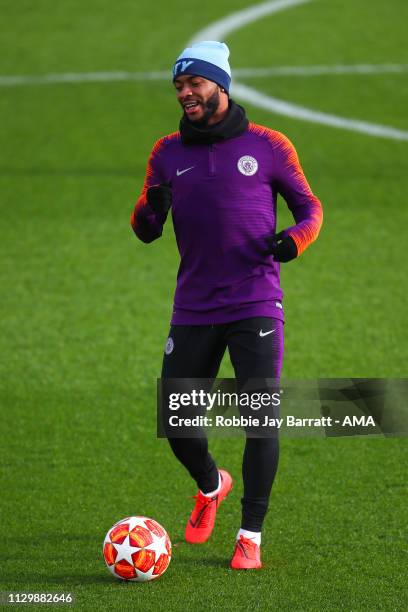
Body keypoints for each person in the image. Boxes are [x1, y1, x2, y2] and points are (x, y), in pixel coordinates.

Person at [130, 41, 323, 570]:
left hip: (256, 300)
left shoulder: (269, 145)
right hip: (193, 305)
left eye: (194, 83)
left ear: (220, 84)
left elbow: (311, 207)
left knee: (261, 419)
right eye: (178, 87)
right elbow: (144, 230)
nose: (185, 93)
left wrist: (294, 241)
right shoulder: (166, 152)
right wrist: (153, 207)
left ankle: (249, 537)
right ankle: (211, 483)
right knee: (177, 421)